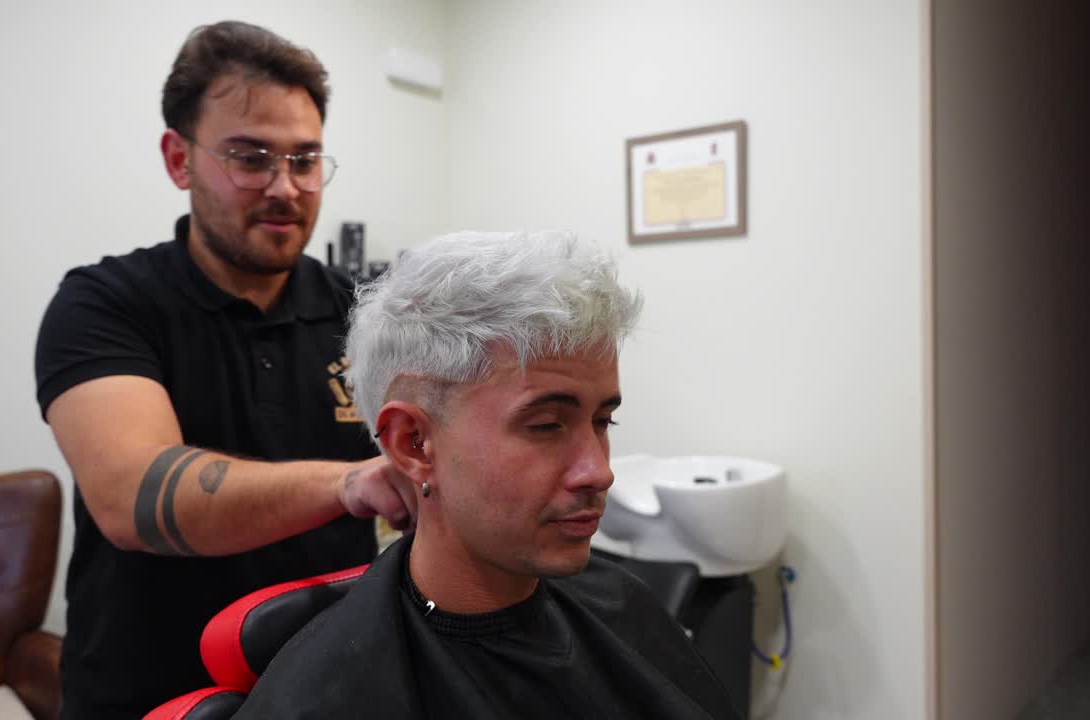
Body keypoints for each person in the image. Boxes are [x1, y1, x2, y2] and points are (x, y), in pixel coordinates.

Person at [34, 21, 413, 720]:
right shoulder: (104, 303)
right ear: (179, 159)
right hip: (147, 695)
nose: (285, 187)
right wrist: (351, 483)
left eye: (305, 160)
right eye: (250, 157)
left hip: (326, 688)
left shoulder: (364, 313)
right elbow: (130, 497)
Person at [232, 231, 743, 719]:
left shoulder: (625, 606)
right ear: (414, 444)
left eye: (602, 421)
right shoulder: (325, 698)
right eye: (545, 425)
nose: (599, 471)